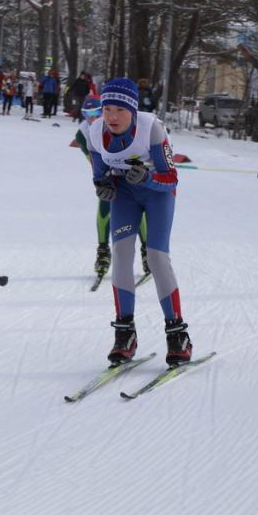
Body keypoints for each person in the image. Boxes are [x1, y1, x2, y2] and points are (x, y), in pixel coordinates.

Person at [85, 78, 192, 367]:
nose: (112, 117)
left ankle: (177, 334)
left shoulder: (151, 129)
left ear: (133, 110)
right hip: (125, 196)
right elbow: (100, 175)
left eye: (120, 110)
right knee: (121, 255)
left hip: (158, 195)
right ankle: (125, 334)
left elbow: (171, 177)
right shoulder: (95, 132)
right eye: (107, 109)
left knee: (157, 258)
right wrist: (103, 186)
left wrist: (147, 177)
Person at [75, 95, 149, 279]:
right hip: (108, 173)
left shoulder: (123, 124)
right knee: (105, 205)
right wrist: (104, 179)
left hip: (130, 171)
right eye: (87, 115)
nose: (92, 119)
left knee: (136, 208)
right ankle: (103, 252)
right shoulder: (83, 134)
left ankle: (148, 252)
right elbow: (94, 161)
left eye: (96, 113)